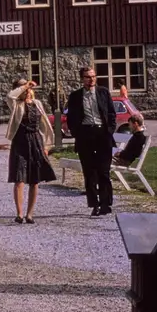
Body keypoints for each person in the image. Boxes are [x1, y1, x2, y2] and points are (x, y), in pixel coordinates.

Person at [65, 66, 116, 216]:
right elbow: (71, 118)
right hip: (85, 135)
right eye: (88, 77)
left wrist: (109, 130)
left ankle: (106, 203)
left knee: (104, 172)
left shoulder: (103, 92)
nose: (91, 79)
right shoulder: (75, 96)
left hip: (102, 134)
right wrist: (77, 133)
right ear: (82, 79)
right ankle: (95, 204)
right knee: (89, 172)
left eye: (93, 76)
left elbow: (111, 113)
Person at [5, 77, 56, 225]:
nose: (27, 90)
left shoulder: (37, 103)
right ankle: (19, 213)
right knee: (19, 178)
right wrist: (25, 85)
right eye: (24, 88)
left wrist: (46, 146)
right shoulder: (16, 104)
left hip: (35, 141)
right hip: (20, 142)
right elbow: (10, 96)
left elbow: (45, 125)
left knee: (34, 180)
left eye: (29, 88)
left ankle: (30, 214)